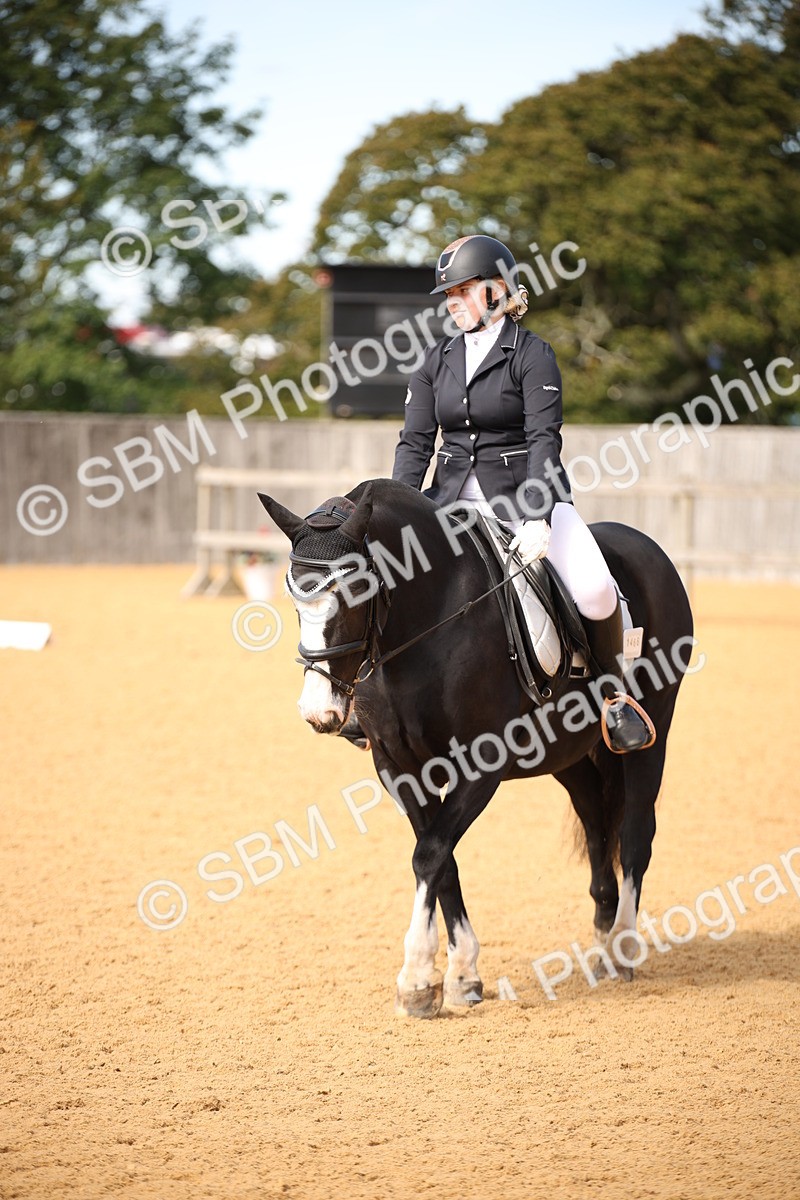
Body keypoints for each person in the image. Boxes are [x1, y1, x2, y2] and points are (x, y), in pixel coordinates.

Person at [391, 234, 655, 754]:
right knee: (393, 586)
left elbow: (543, 440)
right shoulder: (434, 361)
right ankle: (373, 701)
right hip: (447, 505)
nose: (452, 303)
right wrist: (402, 515)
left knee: (597, 589)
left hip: (523, 501)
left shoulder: (532, 355)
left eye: (463, 291)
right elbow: (415, 444)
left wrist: (537, 516)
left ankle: (613, 698)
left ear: (496, 291)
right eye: (449, 294)